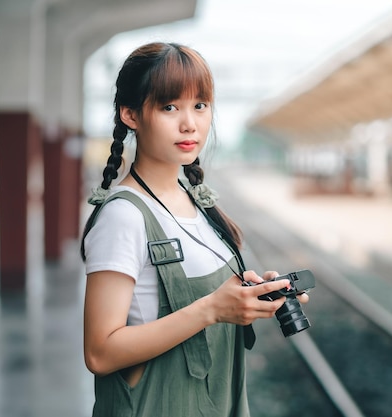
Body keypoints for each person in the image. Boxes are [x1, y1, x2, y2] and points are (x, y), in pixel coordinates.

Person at [80, 42, 308, 417]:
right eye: (170, 107)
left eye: (200, 106)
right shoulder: (124, 216)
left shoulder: (197, 202)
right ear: (131, 115)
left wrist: (251, 296)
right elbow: (100, 352)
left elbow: (212, 303)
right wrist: (211, 309)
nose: (190, 123)